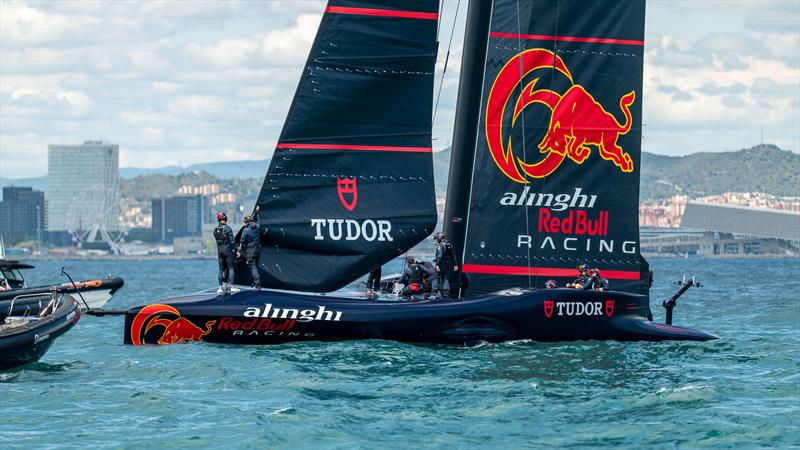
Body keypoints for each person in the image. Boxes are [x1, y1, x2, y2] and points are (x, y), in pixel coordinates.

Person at [213, 212, 237, 294]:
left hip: (219, 252)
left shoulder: (215, 230)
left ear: (218, 220)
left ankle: (220, 288)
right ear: (225, 219)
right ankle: (233, 287)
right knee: (231, 268)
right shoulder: (227, 228)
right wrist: (236, 250)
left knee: (220, 270)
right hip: (228, 251)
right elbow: (232, 241)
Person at [238, 211, 262, 290]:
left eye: (244, 222)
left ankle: (258, 285)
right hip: (258, 251)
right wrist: (257, 213)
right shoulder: (257, 226)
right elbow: (258, 221)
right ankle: (254, 283)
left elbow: (242, 241)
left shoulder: (246, 230)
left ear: (246, 222)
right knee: (255, 267)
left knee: (252, 267)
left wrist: (239, 250)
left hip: (250, 251)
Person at [433, 232, 460, 298]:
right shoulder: (449, 244)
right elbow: (453, 255)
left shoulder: (440, 245)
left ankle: (433, 293)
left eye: (436, 239)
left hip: (441, 264)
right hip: (448, 264)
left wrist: (437, 265)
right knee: (446, 278)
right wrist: (455, 264)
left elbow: (439, 255)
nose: (436, 240)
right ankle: (446, 294)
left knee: (435, 277)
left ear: (439, 238)